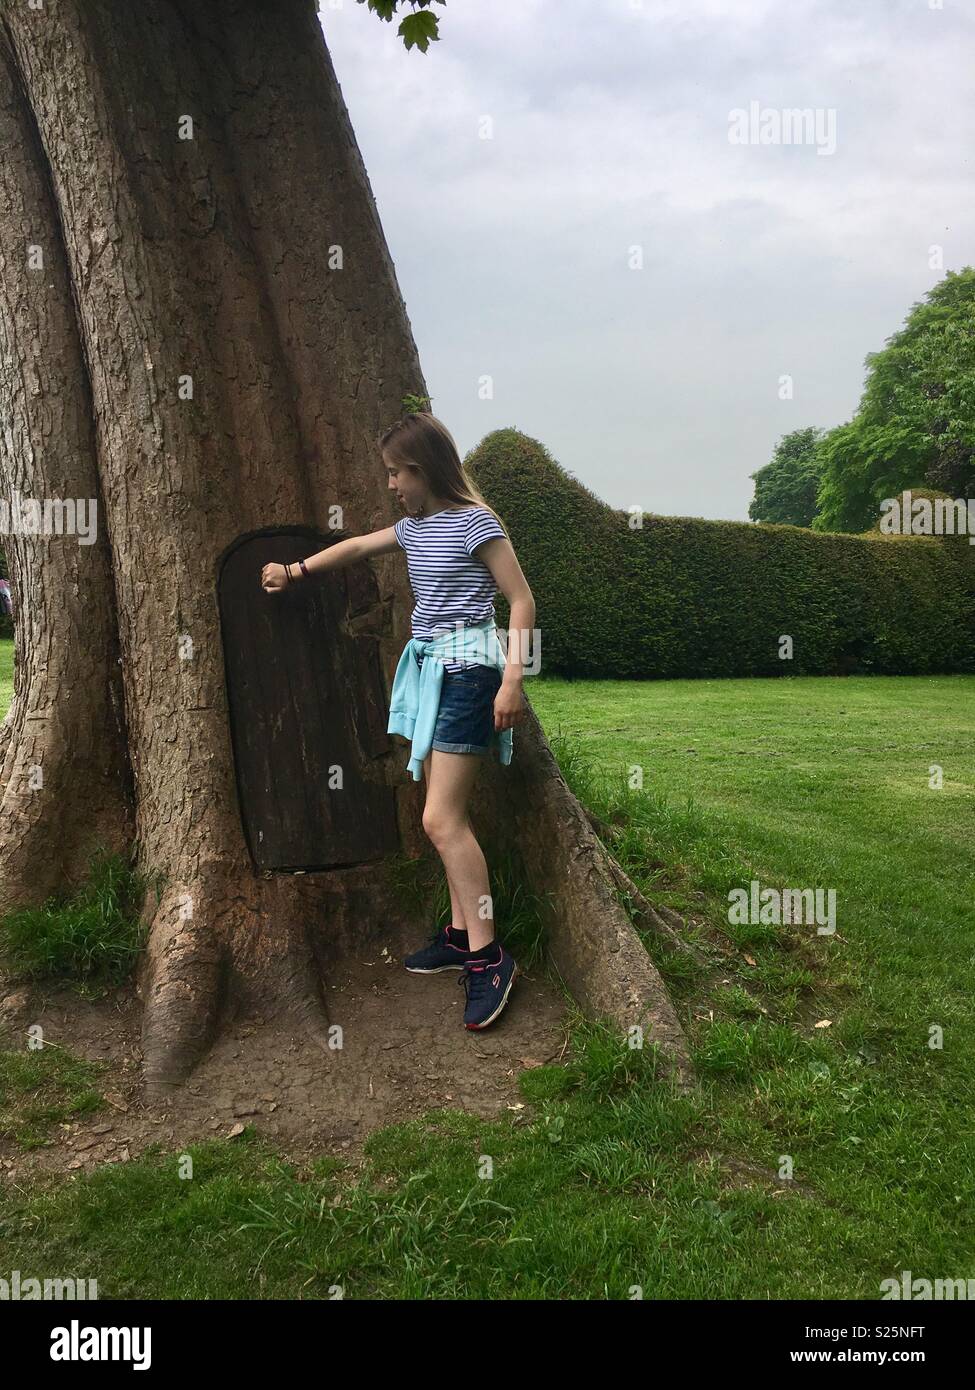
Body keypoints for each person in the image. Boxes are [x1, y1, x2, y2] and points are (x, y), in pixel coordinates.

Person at [260, 413, 535, 1031]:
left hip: (470, 671)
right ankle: (462, 937)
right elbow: (357, 546)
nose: (390, 484)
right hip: (436, 674)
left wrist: (514, 677)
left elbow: (521, 599)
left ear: (426, 469)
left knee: (441, 819)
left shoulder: (477, 523)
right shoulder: (415, 529)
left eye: (396, 473)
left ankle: (490, 957)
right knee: (439, 815)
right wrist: (296, 571)